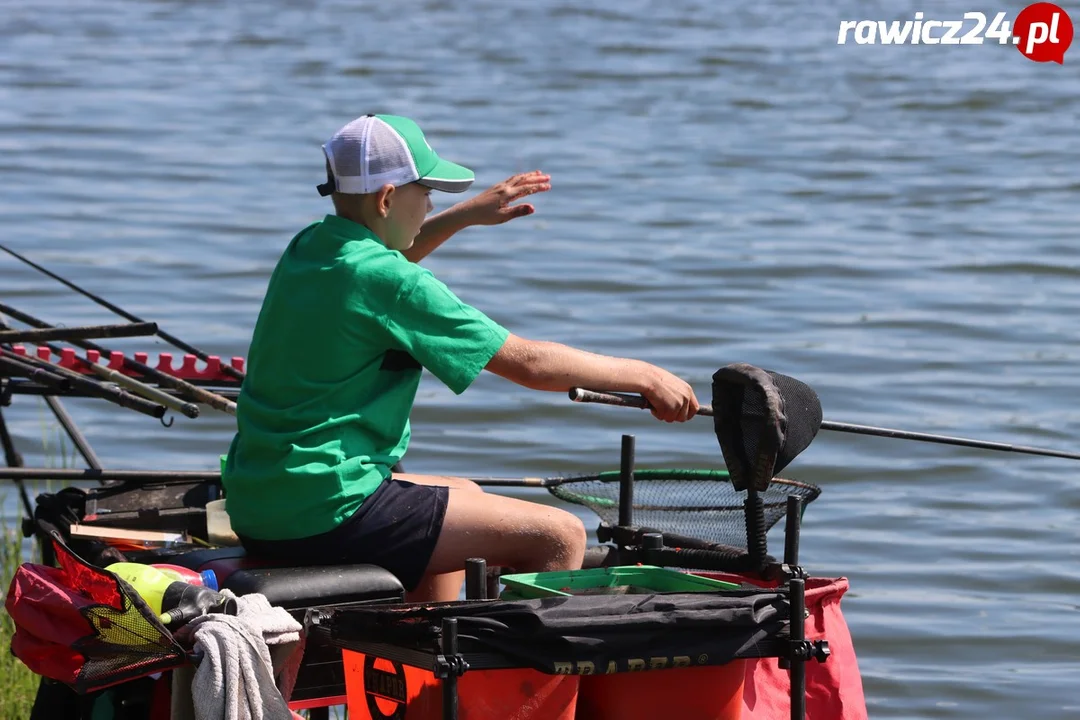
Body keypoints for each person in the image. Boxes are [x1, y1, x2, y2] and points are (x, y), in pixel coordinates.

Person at [222, 113, 700, 602]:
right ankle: (514, 675)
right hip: (325, 508)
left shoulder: (311, 248)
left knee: (465, 494)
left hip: (261, 498)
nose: (430, 205)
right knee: (560, 535)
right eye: (426, 193)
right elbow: (530, 363)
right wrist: (644, 375)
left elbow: (383, 265)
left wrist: (466, 214)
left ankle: (429, 651)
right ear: (388, 198)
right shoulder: (392, 284)